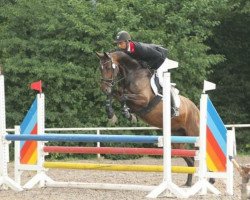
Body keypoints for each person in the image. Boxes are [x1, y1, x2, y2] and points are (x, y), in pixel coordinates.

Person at [114, 31, 179, 117]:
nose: (119, 46)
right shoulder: (123, 49)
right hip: (150, 60)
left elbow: (158, 56)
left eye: (120, 43)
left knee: (162, 82)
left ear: (127, 42)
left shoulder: (139, 48)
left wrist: (149, 66)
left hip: (160, 60)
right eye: (118, 44)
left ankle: (174, 108)